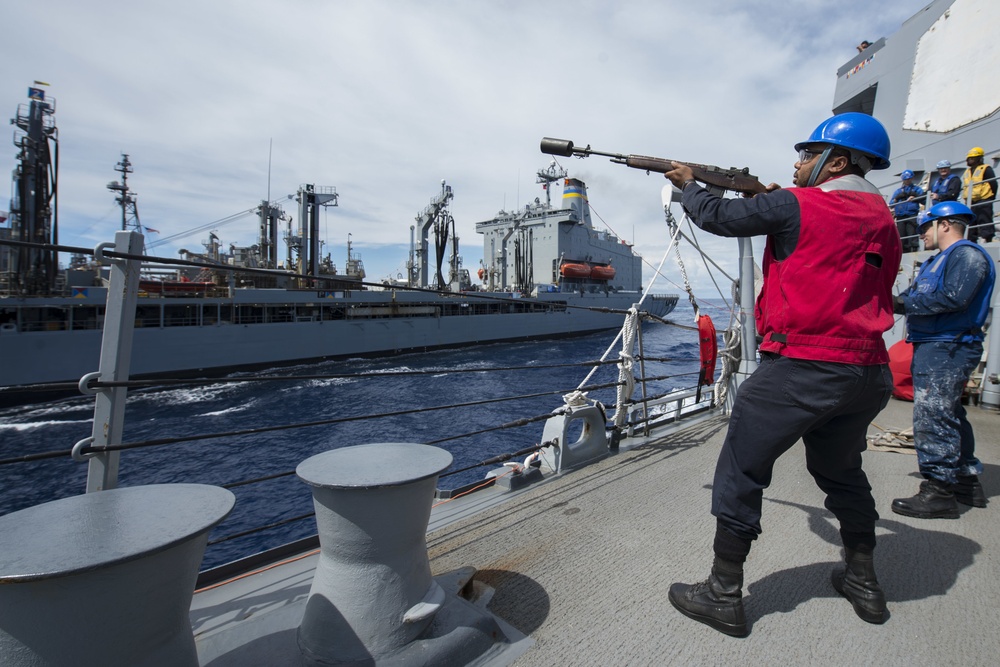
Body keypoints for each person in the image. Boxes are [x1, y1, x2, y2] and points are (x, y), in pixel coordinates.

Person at [664, 112, 901, 636]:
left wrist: (687, 187)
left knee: (741, 470)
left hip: (805, 367)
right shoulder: (884, 218)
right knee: (842, 473)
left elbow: (720, 219)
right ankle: (863, 580)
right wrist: (774, 198)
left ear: (834, 162)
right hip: (867, 372)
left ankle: (723, 594)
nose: (797, 164)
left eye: (806, 155)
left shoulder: (801, 202)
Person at [890, 201, 995, 518]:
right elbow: (910, 298)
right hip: (935, 345)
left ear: (945, 225)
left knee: (932, 415)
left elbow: (953, 297)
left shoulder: (967, 256)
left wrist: (904, 304)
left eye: (925, 227)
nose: (921, 234)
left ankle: (938, 491)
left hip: (948, 346)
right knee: (948, 413)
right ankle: (965, 482)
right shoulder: (940, 260)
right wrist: (892, 301)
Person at [961, 147, 997, 243]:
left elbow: (993, 184)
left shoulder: (986, 169)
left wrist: (991, 197)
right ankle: (972, 241)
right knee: (971, 222)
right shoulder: (967, 172)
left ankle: (987, 238)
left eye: (973, 158)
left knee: (985, 219)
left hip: (984, 199)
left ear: (979, 158)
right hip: (971, 202)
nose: (970, 160)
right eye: (969, 158)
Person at [889, 169, 924, 252]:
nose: (907, 181)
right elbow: (891, 204)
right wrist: (897, 199)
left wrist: (915, 197)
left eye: (908, 179)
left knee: (912, 235)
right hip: (901, 216)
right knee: (902, 237)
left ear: (912, 178)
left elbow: (924, 199)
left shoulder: (917, 189)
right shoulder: (898, 191)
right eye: (905, 179)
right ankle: (903, 252)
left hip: (911, 215)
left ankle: (913, 250)